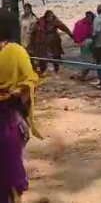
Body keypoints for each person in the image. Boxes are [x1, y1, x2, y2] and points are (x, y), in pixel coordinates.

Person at [0, 11, 42, 202]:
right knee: (12, 166)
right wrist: (15, 92)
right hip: (8, 118)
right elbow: (31, 80)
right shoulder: (16, 51)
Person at [29, 10, 73, 75]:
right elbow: (33, 32)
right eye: (49, 17)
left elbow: (64, 28)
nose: (50, 18)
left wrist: (71, 35)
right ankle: (43, 70)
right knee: (42, 57)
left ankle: (56, 70)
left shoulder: (55, 21)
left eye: (51, 16)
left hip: (54, 42)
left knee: (56, 56)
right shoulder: (40, 21)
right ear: (46, 17)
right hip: (42, 43)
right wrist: (32, 42)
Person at [72, 12, 95, 81]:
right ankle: (82, 76)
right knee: (88, 60)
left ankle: (83, 75)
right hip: (86, 44)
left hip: (85, 43)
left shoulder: (81, 23)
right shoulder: (81, 24)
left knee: (87, 60)